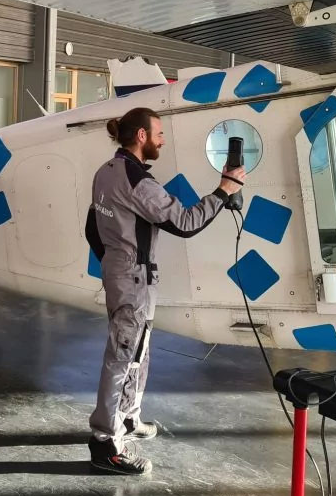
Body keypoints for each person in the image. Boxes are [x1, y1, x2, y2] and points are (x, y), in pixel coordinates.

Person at [86, 107, 245, 475]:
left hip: (123, 273)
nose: (162, 140)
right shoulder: (138, 181)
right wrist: (224, 190)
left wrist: (114, 262)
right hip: (133, 278)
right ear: (141, 136)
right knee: (124, 355)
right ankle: (105, 443)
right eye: (158, 134)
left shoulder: (106, 171)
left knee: (135, 350)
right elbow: (185, 222)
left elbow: (93, 227)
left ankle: (127, 417)